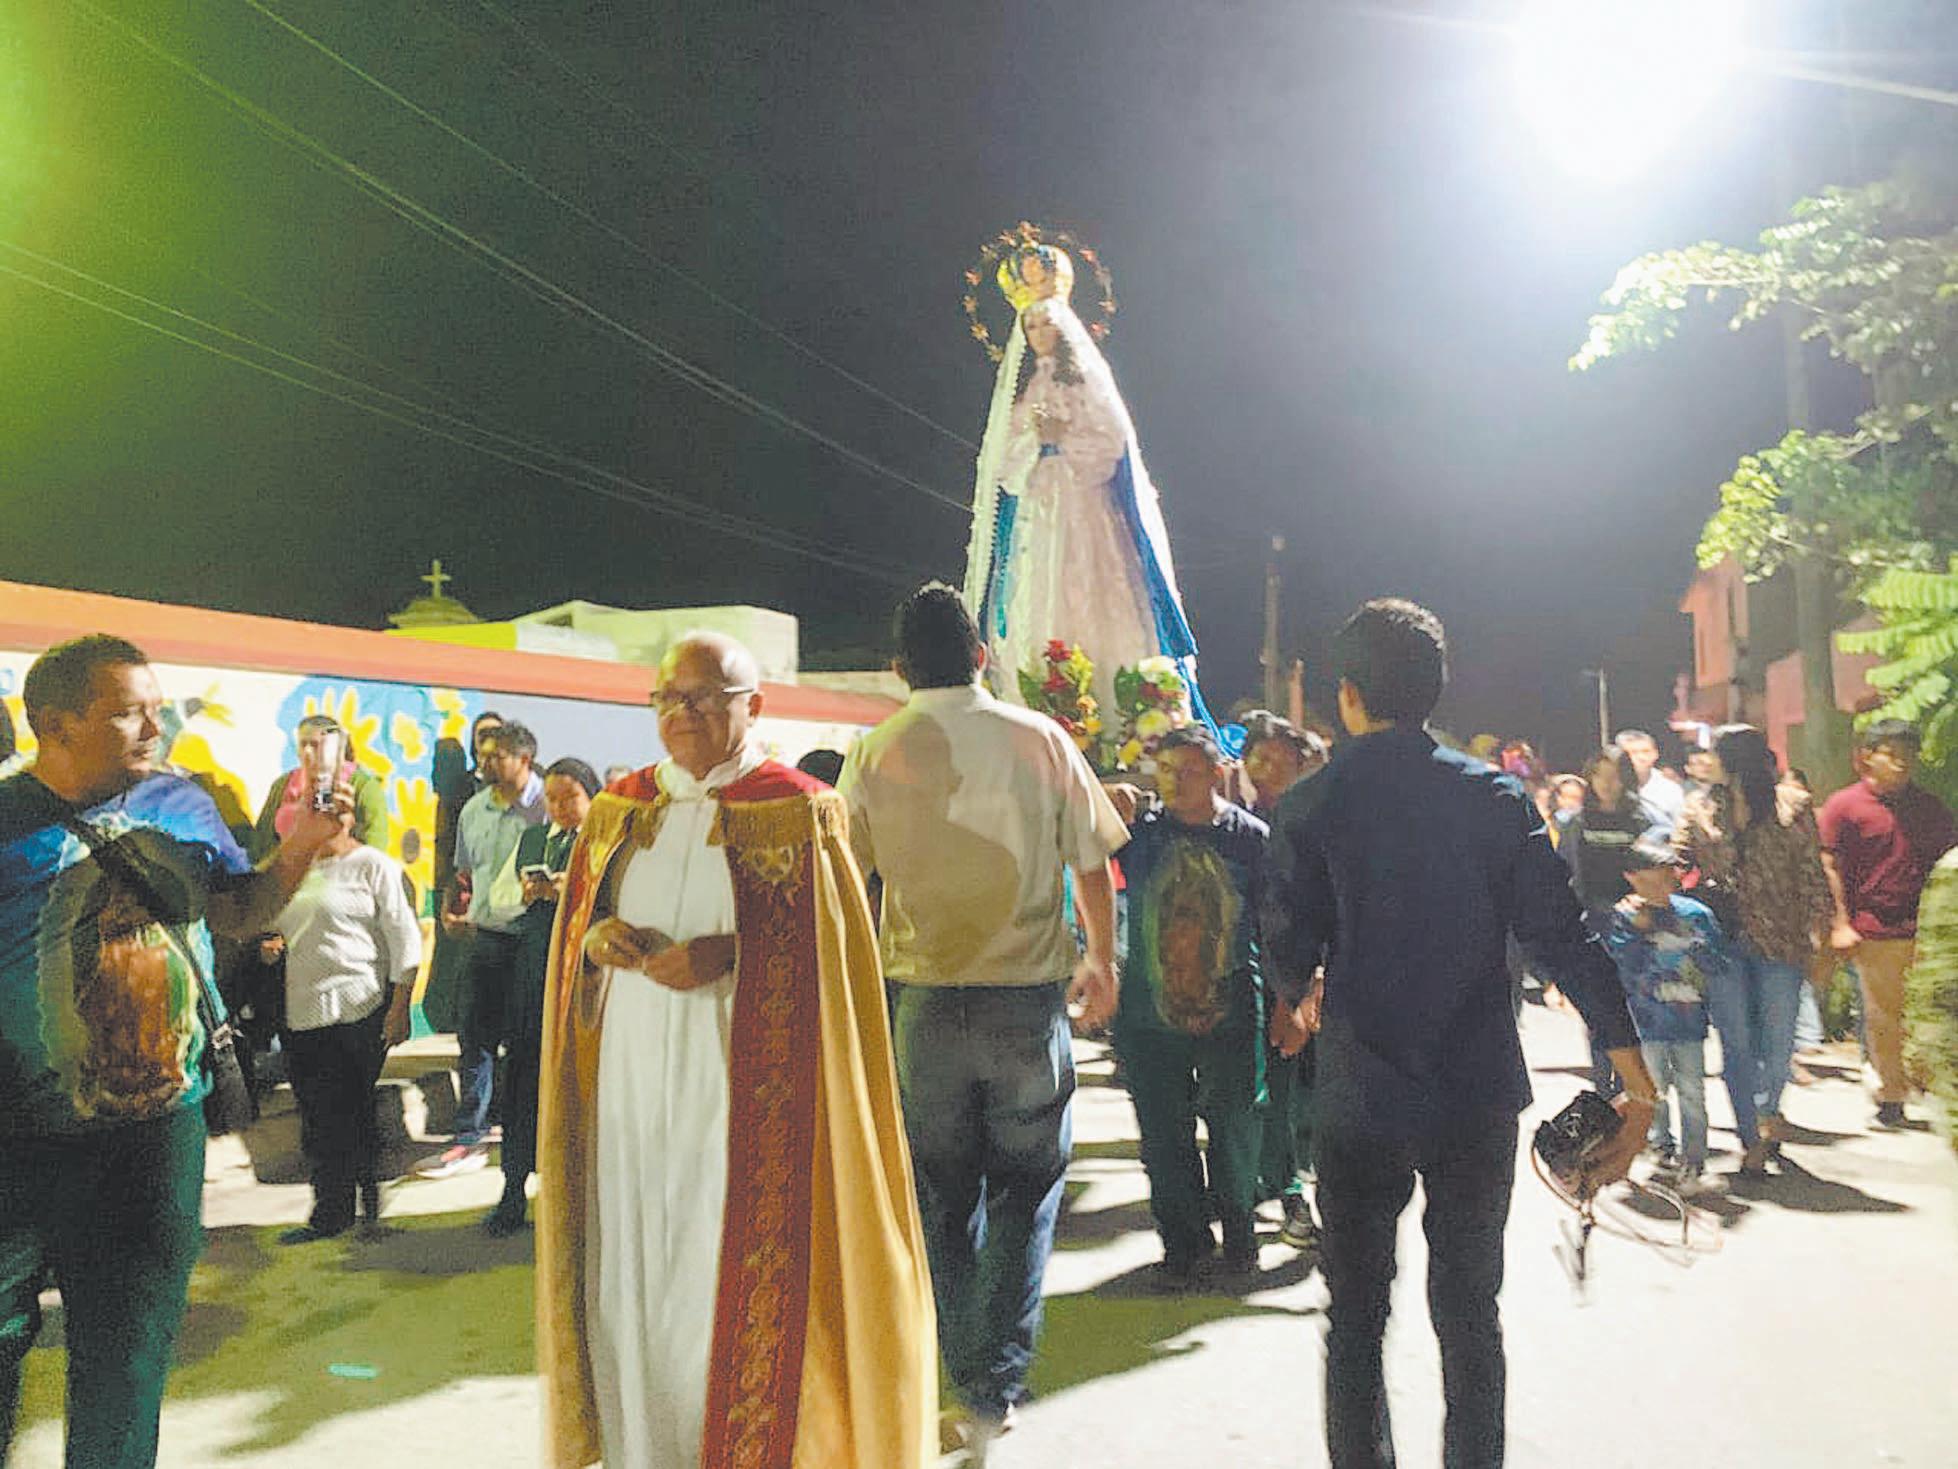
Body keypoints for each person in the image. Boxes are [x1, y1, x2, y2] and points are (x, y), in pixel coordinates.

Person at [1262, 599, 1651, 1469]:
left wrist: (1303, 989)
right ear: (1434, 691)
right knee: (1471, 1311)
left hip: (1360, 1092)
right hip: (1473, 1093)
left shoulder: (1312, 802)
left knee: (1355, 1314)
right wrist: (1635, 1075)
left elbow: (1285, 941)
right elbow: (1564, 938)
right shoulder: (1494, 798)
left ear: (1348, 694)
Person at [535, 632, 935, 1469]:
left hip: (745, 1086)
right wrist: (597, 940)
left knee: (720, 1265)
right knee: (634, 1266)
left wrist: (733, 952)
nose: (681, 713)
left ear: (753, 704)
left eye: (703, 697)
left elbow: (835, 964)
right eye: (667, 698)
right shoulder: (617, 811)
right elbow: (580, 933)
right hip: (630, 1089)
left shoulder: (802, 811)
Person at [1, 634, 351, 1469]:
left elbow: (237, 911)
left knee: (126, 1366)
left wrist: (301, 847)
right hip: (17, 1141)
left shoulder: (182, 803)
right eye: (129, 712)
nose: (155, 728)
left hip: (153, 1140)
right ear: (55, 723)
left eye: (157, 709)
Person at [837, 584, 1125, 1456]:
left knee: (941, 1194)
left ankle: (966, 1368)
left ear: (898, 668)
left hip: (922, 1004)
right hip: (1024, 1001)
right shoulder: (1041, 739)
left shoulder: (871, 752)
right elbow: (1093, 860)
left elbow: (850, 883)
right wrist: (1101, 960)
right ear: (982, 656)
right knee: (1026, 1190)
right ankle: (993, 1380)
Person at [962, 239, 1211, 727]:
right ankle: (1043, 704)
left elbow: (1111, 444)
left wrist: (1065, 440)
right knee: (1038, 597)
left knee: (1096, 595)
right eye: (1031, 326)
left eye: (1046, 324)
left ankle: (1111, 715)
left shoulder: (1088, 384)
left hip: (1087, 506)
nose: (1039, 333)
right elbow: (1003, 464)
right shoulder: (1022, 395)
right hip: (1038, 512)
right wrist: (1036, 442)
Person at [1113, 727, 1268, 1281]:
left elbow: (1277, 923)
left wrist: (1293, 998)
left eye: (1190, 771)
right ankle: (1182, 1243)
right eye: (1166, 771)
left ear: (1216, 773)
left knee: (1235, 1127)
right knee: (1163, 1132)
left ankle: (1240, 1234)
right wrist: (1111, 798)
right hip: (1148, 1012)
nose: (1177, 783)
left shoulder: (1250, 838)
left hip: (1232, 1007)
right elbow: (1071, 827)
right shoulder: (1137, 835)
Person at [1673, 725, 1832, 1174]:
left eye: (1715, 754)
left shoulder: (1792, 805)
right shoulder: (1700, 807)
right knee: (1736, 1041)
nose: (1708, 762)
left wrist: (1824, 928)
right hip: (1721, 940)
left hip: (1781, 937)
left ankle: (1767, 1110)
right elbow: (1678, 859)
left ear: (1734, 760)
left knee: (1778, 1040)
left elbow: (1810, 869)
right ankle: (1752, 1135)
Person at [270, 811, 421, 1242]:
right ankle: (330, 1213)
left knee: (355, 1112)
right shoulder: (291, 871)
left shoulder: (372, 866)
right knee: (317, 1117)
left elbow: (404, 937)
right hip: (302, 1009)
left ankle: (369, 1209)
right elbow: (272, 924)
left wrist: (400, 1007)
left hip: (359, 1005)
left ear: (349, 819)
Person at [1818, 719, 1958, 1128]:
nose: (1902, 763)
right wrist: (1840, 923)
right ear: (1867, 757)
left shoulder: (1929, 808)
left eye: (1909, 755)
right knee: (1885, 1015)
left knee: (1934, 1011)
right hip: (1875, 928)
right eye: (1892, 754)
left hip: (1928, 929)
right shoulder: (1844, 806)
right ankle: (1892, 1094)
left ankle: (1929, 1084)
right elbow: (1829, 866)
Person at [422, 721, 546, 1177]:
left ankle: (522, 1135)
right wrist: (455, 908)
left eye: (497, 755)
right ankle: (469, 1137)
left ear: (524, 759)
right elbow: (465, 872)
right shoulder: (473, 810)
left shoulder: (547, 808)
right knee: (474, 1038)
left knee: (524, 1045)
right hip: (484, 937)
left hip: (531, 940)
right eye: (484, 754)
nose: (486, 762)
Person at [482, 756, 596, 1236]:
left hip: (585, 974)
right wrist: (527, 894)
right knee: (524, 1077)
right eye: (552, 798)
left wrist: (570, 890)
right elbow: (499, 898)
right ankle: (513, 1188)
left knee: (578, 1081)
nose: (560, 807)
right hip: (534, 972)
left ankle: (576, 1194)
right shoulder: (533, 840)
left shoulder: (601, 843)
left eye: (570, 797)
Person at [1239, 709, 1327, 1250]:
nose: (1265, 768)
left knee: (1307, 1095)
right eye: (1257, 758)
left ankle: (1299, 1187)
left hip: (1310, 980)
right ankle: (1284, 1188)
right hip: (1257, 976)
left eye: (1278, 759)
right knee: (1273, 1090)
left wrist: (1302, 987)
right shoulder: (1240, 824)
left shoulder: (1318, 825)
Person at [1602, 838, 1732, 1195]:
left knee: (1692, 1092)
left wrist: (1696, 946)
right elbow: (1621, 967)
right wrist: (1640, 930)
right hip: (1645, 1023)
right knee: (1650, 1090)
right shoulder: (1624, 916)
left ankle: (1694, 1161)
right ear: (1632, 876)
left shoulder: (1695, 914)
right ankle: (1659, 1148)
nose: (1665, 878)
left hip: (1689, 1021)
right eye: (1655, 871)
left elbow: (1719, 963)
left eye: (1668, 870)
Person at [1556, 746, 1656, 1097]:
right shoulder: (1576, 822)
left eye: (1614, 775)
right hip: (1591, 924)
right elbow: (1563, 874)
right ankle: (1604, 1091)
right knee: (1598, 1009)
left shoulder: (1643, 821)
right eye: (1599, 775)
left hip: (1636, 925)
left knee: (1635, 1010)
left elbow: (1659, 871)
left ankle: (1635, 1090)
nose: (1607, 783)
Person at [249, 713, 390, 859]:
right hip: (287, 869)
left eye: (315, 745)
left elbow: (374, 849)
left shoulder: (363, 786)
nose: (307, 751)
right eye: (303, 744)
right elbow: (261, 842)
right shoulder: (283, 784)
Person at [1617, 727, 1687, 833]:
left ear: (1655, 754)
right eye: (1632, 752)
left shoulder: (1670, 789)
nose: (1641, 757)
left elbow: (1680, 825)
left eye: (1646, 751)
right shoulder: (1608, 784)